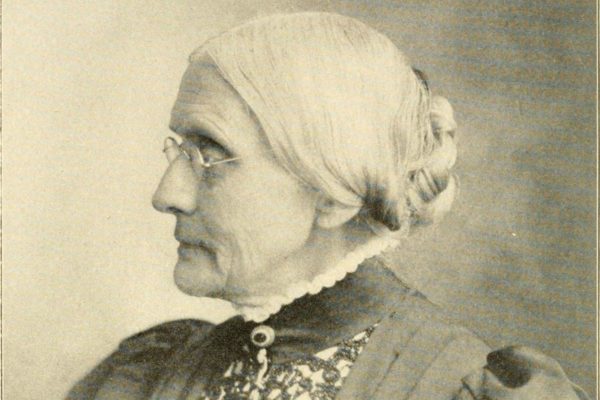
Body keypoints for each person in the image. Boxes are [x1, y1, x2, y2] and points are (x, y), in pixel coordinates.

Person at [67, 12, 588, 400]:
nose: (168, 195)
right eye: (180, 150)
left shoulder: (456, 388)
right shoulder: (149, 377)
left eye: (211, 154)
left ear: (333, 195)